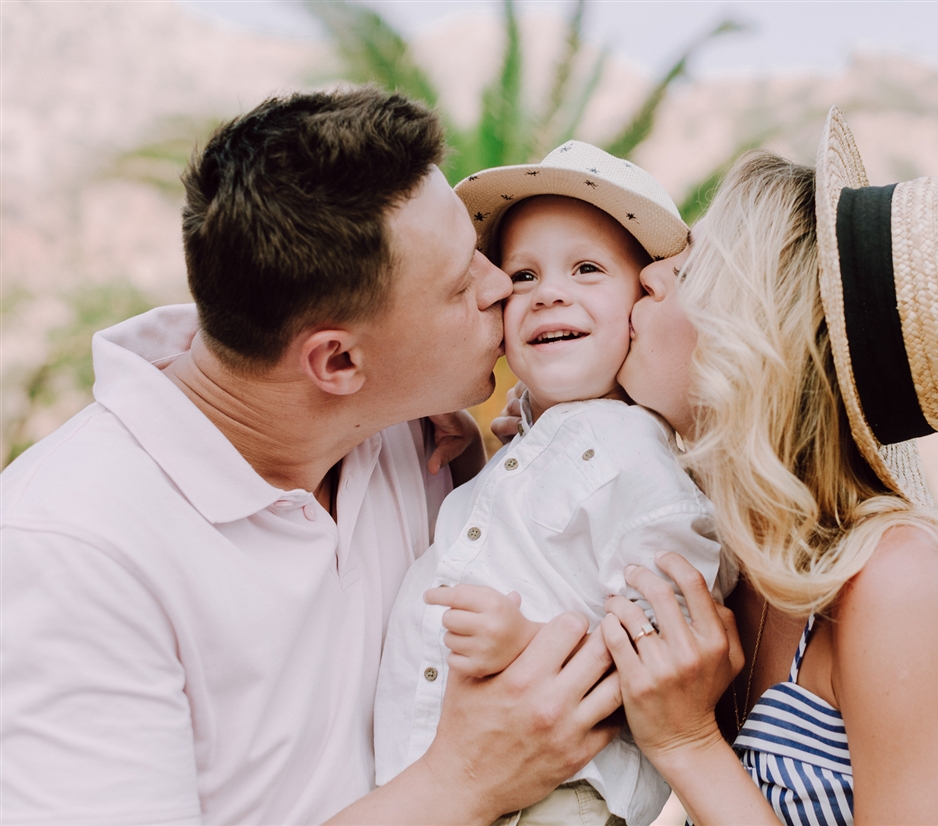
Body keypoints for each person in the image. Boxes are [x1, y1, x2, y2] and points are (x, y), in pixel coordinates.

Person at [0, 88, 629, 824]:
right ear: (334, 364)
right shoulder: (71, 551)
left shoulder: (408, 427)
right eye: (462, 285)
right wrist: (460, 783)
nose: (501, 286)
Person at [590, 108, 938, 825]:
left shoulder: (897, 583)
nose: (647, 276)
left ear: (755, 335)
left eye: (687, 270)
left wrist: (688, 742)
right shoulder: (729, 558)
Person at [374, 142, 730, 826]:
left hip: (558, 797)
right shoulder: (536, 440)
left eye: (588, 269)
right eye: (523, 276)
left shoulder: (633, 455)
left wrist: (529, 645)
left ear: (641, 305)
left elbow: (672, 646)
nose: (551, 293)